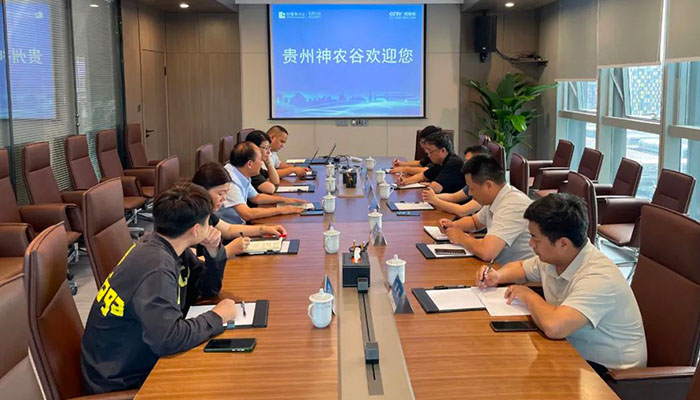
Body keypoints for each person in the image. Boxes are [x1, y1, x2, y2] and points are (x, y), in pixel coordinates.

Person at [81, 183, 238, 394]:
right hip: (121, 381)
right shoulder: (157, 268)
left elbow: (206, 289)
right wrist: (217, 316)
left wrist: (213, 252)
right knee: (223, 382)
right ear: (195, 230)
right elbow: (168, 340)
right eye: (208, 221)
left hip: (134, 359)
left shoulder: (166, 244)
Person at [476, 193, 647, 371]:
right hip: (571, 351)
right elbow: (521, 267)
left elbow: (554, 327)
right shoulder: (556, 258)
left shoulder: (598, 276)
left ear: (563, 243)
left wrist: (527, 294)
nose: (531, 244)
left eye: (535, 238)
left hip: (608, 373)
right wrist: (497, 276)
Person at [439, 154, 533, 264]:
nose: (470, 193)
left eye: (472, 188)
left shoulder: (513, 205)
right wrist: (453, 225)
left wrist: (461, 238)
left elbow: (487, 252)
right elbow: (475, 222)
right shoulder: (495, 197)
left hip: (518, 272)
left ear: (488, 185)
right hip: (498, 267)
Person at [192, 162, 287, 258]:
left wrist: (263, 229)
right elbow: (193, 262)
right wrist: (229, 250)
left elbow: (229, 229)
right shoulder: (190, 218)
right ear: (202, 191)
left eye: (226, 193)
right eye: (220, 194)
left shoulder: (206, 213)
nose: (224, 199)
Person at [220, 142, 306, 224]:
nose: (261, 164)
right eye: (260, 160)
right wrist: (281, 210)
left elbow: (256, 197)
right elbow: (247, 214)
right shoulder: (230, 181)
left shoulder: (241, 172)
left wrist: (286, 200)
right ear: (250, 164)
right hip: (230, 230)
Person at [421, 144, 489, 216]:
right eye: (465, 161)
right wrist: (430, 196)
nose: (465, 164)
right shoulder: (474, 180)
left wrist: (435, 200)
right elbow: (453, 197)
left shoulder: (485, 185)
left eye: (469, 161)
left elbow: (462, 211)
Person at [396, 130, 465, 193]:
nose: (428, 155)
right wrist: (405, 181)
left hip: (453, 201)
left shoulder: (453, 163)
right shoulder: (439, 162)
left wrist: (430, 184)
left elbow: (435, 188)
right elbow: (423, 176)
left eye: (430, 151)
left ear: (442, 151)